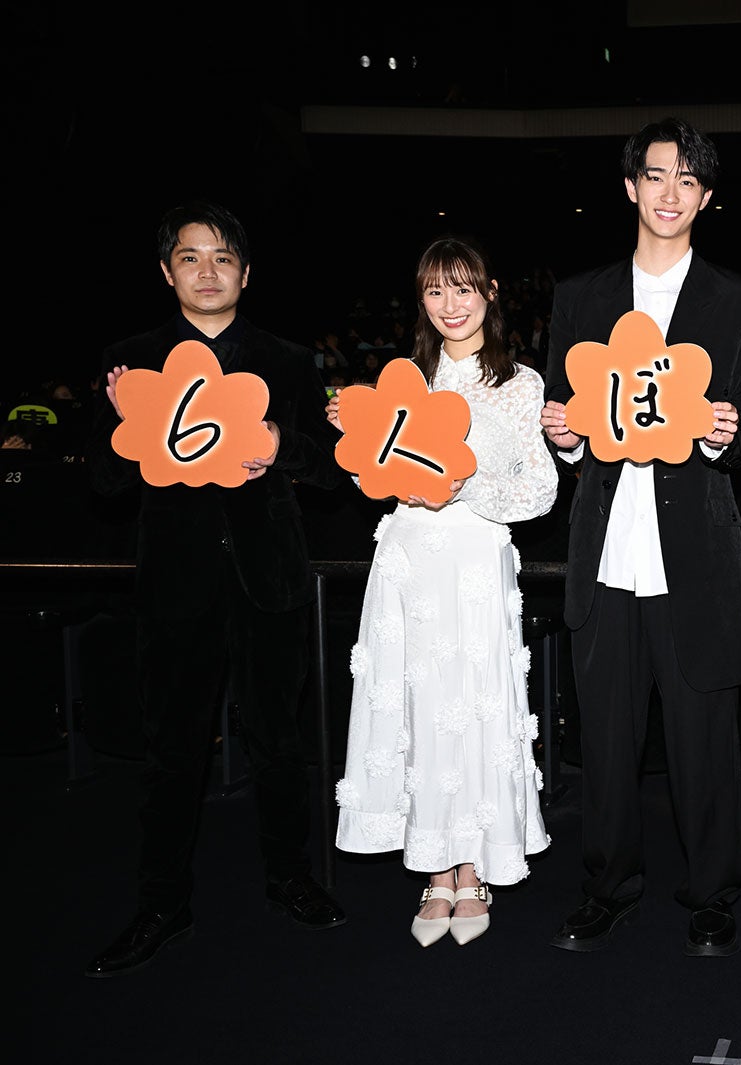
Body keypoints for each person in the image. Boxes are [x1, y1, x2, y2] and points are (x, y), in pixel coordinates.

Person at [85, 200, 348, 977]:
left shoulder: (287, 359)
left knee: (279, 741)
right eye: (190, 257)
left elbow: (331, 469)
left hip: (269, 578)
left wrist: (282, 444)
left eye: (223, 257)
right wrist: (117, 418)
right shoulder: (131, 361)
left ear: (246, 272)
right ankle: (162, 903)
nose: (207, 271)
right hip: (176, 583)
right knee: (172, 750)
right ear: (167, 271)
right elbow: (104, 483)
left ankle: (290, 876)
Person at [539, 117, 741, 957]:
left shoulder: (739, 302)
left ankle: (713, 894)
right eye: (657, 175)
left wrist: (726, 435)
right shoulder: (581, 296)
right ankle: (608, 886)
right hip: (606, 550)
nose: (671, 193)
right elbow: (563, 418)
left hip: (695, 553)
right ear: (631, 185)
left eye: (688, 180)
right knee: (604, 739)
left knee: (703, 740)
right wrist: (563, 437)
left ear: (705, 198)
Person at [329, 236, 559, 946]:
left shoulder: (520, 383)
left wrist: (464, 489)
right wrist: (354, 436)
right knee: (419, 707)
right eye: (435, 290)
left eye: (463, 287)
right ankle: (435, 869)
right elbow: (377, 477)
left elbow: (541, 490)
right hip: (408, 559)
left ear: (490, 292)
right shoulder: (404, 380)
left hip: (474, 555)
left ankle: (474, 866)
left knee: (472, 704)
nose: (450, 304)